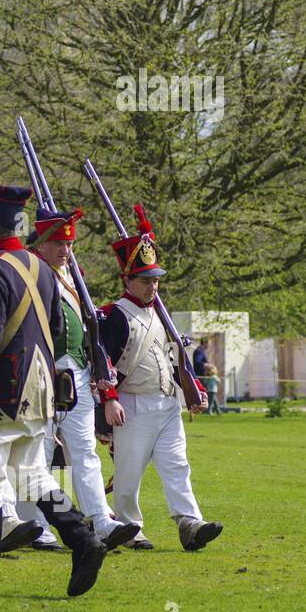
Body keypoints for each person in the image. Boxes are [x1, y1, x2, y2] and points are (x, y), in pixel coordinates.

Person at [0, 178, 109, 598]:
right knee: (32, 477)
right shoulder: (41, 270)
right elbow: (54, 329)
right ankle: (83, 540)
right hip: (40, 390)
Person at [97, 204, 222, 552]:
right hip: (132, 402)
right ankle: (129, 527)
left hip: (167, 402)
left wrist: (193, 387)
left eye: (155, 280)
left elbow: (174, 358)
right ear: (127, 280)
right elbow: (103, 362)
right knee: (128, 473)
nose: (153, 286)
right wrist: (108, 401)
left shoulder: (161, 316)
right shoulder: (114, 315)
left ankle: (189, 522)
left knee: (177, 464)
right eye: (146, 280)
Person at [28, 207, 139, 551]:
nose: (66, 251)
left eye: (70, 244)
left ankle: (102, 520)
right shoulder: (31, 273)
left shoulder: (71, 279)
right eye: (59, 244)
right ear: (42, 243)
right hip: (40, 371)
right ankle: (38, 526)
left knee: (85, 452)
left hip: (76, 372)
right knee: (39, 453)